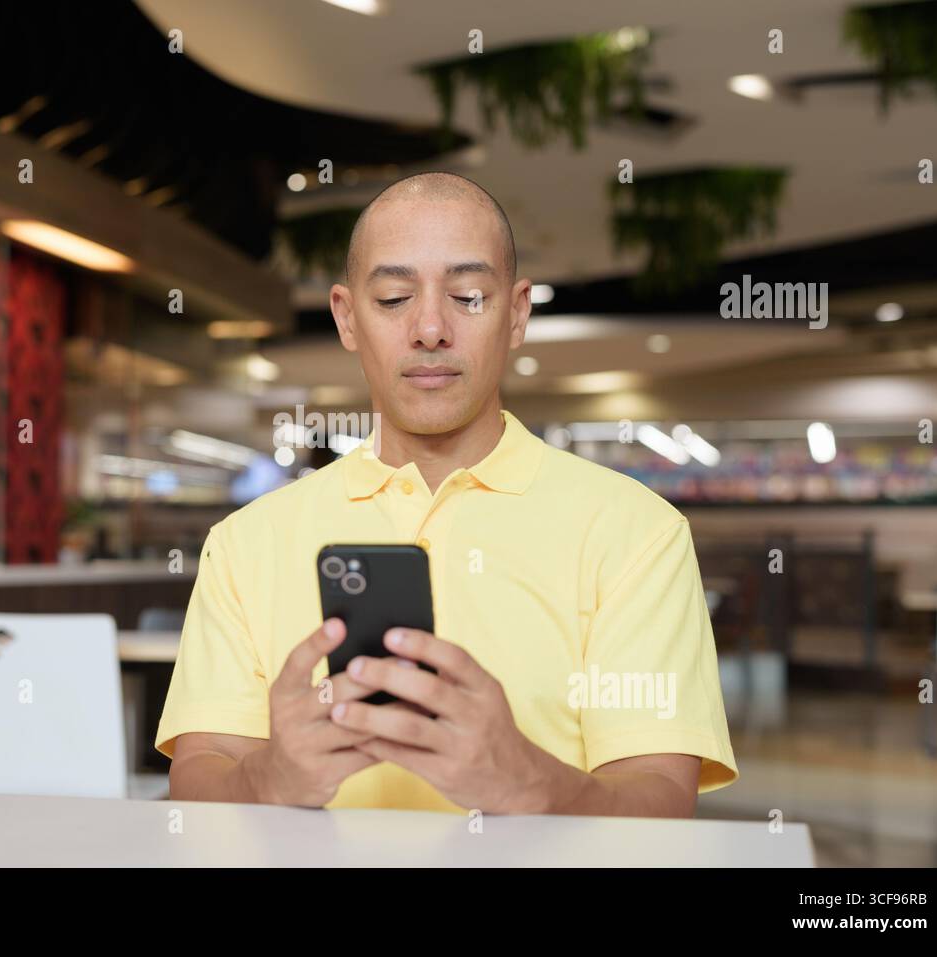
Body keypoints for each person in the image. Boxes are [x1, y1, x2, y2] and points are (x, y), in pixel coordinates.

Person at [154, 172, 737, 815]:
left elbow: (660, 800)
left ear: (516, 314)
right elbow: (200, 773)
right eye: (395, 297)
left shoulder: (636, 533)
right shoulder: (244, 544)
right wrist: (267, 780)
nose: (430, 328)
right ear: (347, 318)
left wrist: (531, 783)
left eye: (467, 296)